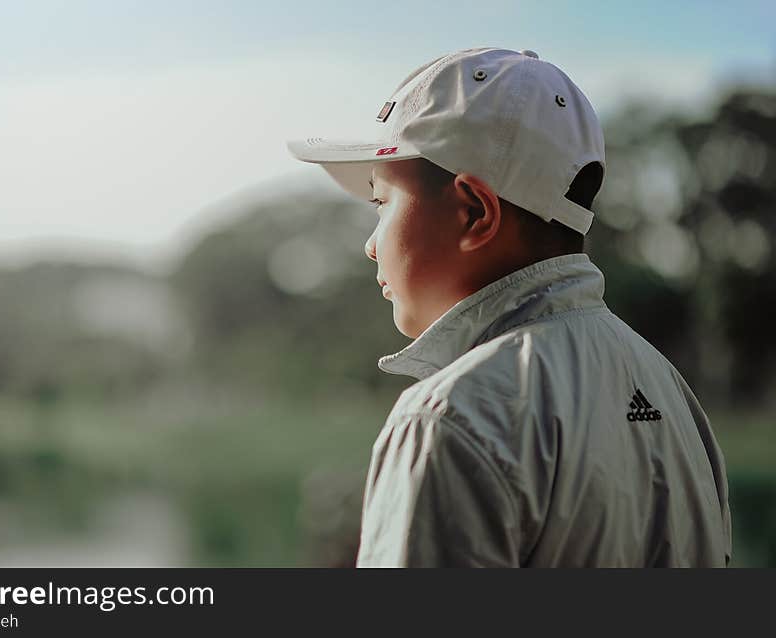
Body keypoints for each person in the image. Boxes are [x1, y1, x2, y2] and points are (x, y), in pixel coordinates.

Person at [286, 47, 732, 567]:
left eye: (382, 203)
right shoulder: (669, 389)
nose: (370, 244)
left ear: (474, 212)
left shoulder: (448, 418)